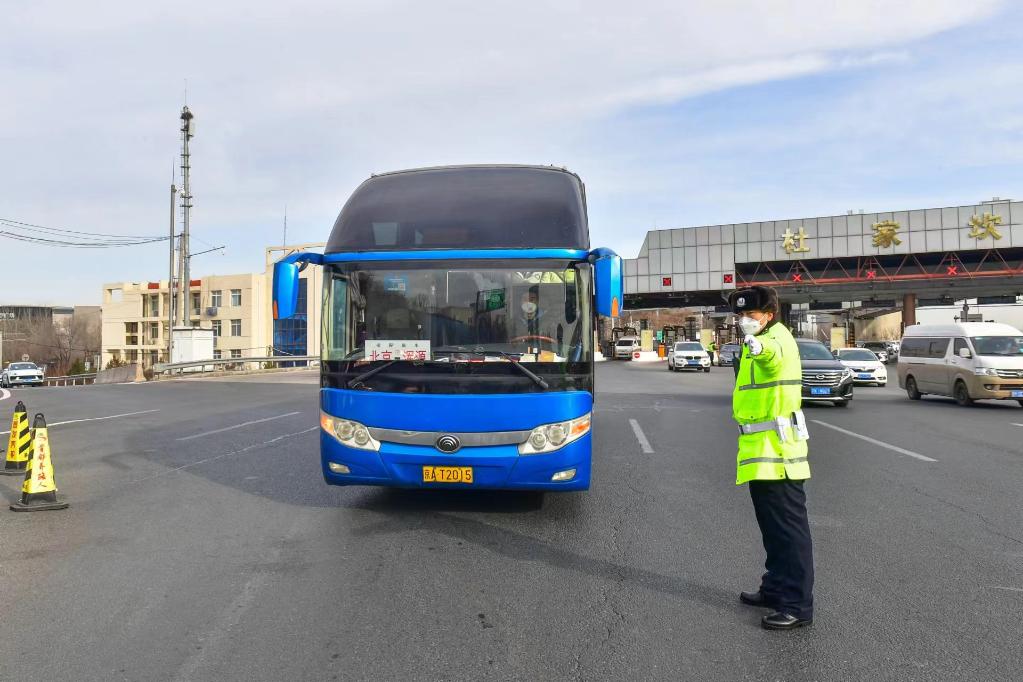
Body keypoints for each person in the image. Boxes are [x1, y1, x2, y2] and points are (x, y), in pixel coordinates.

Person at [729, 286, 814, 630]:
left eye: (751, 315)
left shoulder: (775, 339)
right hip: (761, 452)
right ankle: (776, 587)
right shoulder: (759, 339)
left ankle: (797, 605)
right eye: (740, 316)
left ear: (768, 314)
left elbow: (773, 355)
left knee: (789, 532)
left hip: (779, 454)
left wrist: (757, 345)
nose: (744, 321)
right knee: (773, 530)